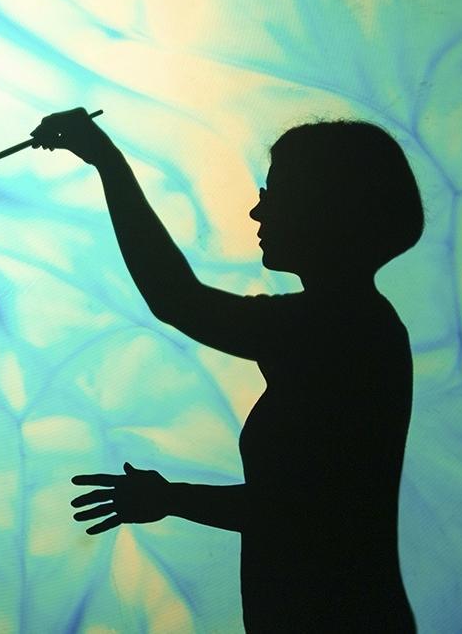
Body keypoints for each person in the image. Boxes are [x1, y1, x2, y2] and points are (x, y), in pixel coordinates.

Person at [50, 109, 423, 632]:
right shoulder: (351, 324)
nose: (256, 210)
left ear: (324, 207)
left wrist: (107, 161)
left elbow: (300, 513)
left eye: (275, 193)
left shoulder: (340, 327)